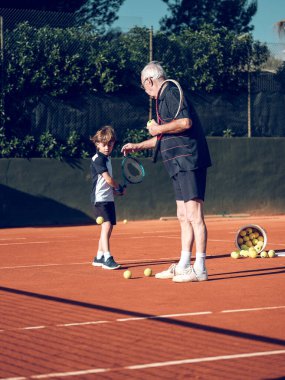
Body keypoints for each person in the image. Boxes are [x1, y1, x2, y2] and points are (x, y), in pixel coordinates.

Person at [121, 61, 212, 282]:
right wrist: (139, 145)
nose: (146, 92)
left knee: (194, 215)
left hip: (188, 160)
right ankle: (183, 264)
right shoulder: (162, 100)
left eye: (144, 87)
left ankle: (200, 268)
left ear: (150, 81)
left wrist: (157, 128)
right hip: (176, 164)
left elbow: (185, 122)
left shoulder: (170, 91)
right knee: (182, 216)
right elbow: (165, 137)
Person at [90, 125, 124, 270]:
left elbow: (107, 183)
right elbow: (108, 179)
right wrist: (117, 187)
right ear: (97, 144)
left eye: (110, 144)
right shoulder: (98, 159)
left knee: (108, 229)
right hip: (100, 199)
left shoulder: (107, 159)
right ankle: (108, 258)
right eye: (103, 144)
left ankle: (98, 256)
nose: (106, 147)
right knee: (107, 226)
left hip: (108, 198)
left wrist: (116, 191)